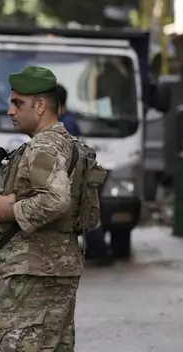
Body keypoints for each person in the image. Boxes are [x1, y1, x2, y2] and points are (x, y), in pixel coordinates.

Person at [0, 66, 84, 351]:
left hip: (32, 273)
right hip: (57, 268)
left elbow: (56, 199)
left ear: (39, 106)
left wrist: (9, 211)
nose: (10, 111)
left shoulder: (43, 147)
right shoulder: (65, 142)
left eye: (17, 103)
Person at [56, 84, 113, 265]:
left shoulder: (66, 124)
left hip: (74, 180)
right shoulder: (69, 120)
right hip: (79, 179)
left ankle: (100, 251)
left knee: (85, 217)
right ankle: (99, 251)